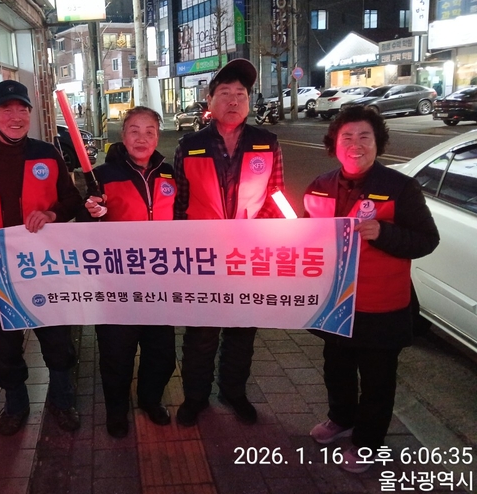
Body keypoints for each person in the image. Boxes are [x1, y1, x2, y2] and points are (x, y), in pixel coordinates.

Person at [303, 105, 439, 473]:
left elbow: (427, 240)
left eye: (365, 136)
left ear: (377, 142)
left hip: (382, 304)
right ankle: (341, 418)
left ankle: (367, 441)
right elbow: (303, 236)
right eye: (347, 137)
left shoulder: (400, 187)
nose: (356, 144)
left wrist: (384, 233)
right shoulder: (320, 185)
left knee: (378, 380)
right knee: (337, 368)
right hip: (335, 303)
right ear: (334, 144)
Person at [0, 79, 83, 436]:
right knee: (5, 348)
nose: (15, 117)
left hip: (45, 270)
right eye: (6, 110)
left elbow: (72, 199)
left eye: (22, 109)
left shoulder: (48, 154)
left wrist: (53, 214)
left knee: (57, 342)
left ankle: (62, 399)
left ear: (30, 113)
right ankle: (16, 405)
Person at [173, 58, 285, 427]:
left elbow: (276, 197)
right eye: (225, 93)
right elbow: (180, 205)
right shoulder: (190, 145)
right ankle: (195, 398)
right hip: (203, 260)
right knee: (200, 336)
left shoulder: (267, 143)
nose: (234, 100)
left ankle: (234, 393)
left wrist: (267, 236)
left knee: (242, 333)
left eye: (241, 94)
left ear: (249, 101)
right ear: (210, 100)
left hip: (247, 259)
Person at [82, 106, 177, 438]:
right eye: (134, 130)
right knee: (116, 355)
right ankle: (117, 410)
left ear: (158, 137)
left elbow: (184, 223)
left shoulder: (169, 175)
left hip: (160, 284)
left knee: (162, 354)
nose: (142, 138)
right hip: (116, 286)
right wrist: (91, 212)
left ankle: (150, 400)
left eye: (150, 131)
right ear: (122, 136)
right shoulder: (102, 176)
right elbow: (83, 226)